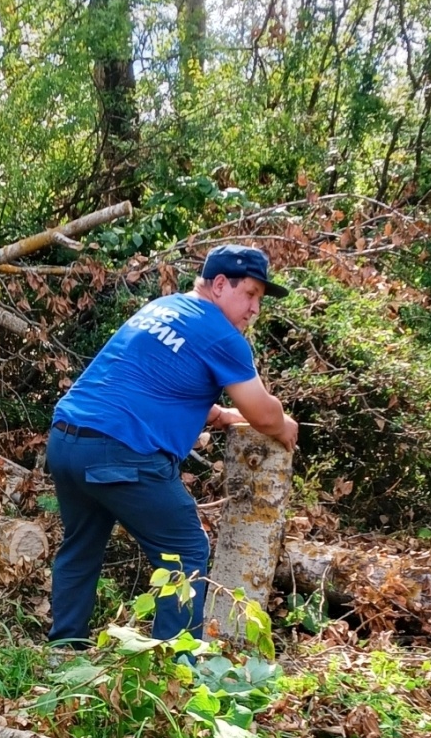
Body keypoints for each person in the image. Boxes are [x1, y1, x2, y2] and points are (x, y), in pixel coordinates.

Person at [47, 244, 299, 646]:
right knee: (185, 550)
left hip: (66, 440)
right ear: (219, 284)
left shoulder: (165, 307)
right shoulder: (222, 336)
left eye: (259, 300)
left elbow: (160, 384)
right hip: (121, 451)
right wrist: (283, 426)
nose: (255, 309)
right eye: (250, 294)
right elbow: (265, 415)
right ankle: (174, 673)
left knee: (81, 549)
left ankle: (63, 650)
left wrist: (223, 416)